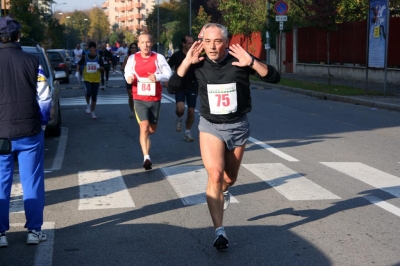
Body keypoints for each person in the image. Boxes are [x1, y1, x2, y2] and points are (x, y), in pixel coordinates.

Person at [167, 23, 280, 250]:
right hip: (211, 126)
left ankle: (226, 191)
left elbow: (275, 78)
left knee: (229, 178)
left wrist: (253, 63)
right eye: (207, 41)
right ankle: (219, 231)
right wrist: (187, 61)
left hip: (238, 126)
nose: (211, 46)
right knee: (215, 174)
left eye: (217, 41)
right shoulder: (197, 63)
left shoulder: (239, 59)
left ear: (226, 42)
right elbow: (172, 86)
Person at [0, 16, 52, 247]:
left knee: (1, 183)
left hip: (1, 133)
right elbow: (44, 95)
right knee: (32, 181)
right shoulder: (32, 61)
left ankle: (1, 234)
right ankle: (34, 231)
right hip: (30, 131)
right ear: (17, 35)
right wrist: (42, 122)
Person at [124, 33, 172, 170]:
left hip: (155, 99)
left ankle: (145, 140)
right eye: (142, 42)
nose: (145, 45)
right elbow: (127, 71)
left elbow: (168, 74)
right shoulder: (133, 58)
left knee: (151, 129)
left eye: (148, 42)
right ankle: (146, 157)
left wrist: (157, 77)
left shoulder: (159, 57)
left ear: (151, 43)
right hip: (139, 98)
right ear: (138, 44)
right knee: (143, 127)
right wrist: (129, 78)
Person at [167, 35, 198, 142]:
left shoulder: (196, 55)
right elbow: (167, 67)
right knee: (180, 109)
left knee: (191, 112)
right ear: (183, 44)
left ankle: (187, 132)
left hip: (192, 86)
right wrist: (167, 80)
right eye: (189, 43)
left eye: (192, 42)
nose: (191, 45)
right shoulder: (177, 55)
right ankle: (179, 118)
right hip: (180, 86)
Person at [76, 41, 104, 119]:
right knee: (88, 92)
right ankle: (88, 105)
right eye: (91, 48)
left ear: (95, 49)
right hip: (87, 78)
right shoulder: (85, 57)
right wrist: (77, 72)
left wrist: (99, 67)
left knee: (94, 97)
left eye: (93, 48)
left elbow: (103, 68)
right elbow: (79, 63)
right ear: (89, 49)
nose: (92, 50)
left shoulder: (98, 58)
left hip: (96, 80)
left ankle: (93, 112)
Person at [121, 42, 138, 118]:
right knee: (131, 96)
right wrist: (127, 70)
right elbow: (122, 67)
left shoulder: (140, 57)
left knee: (138, 96)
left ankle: (139, 110)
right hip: (130, 79)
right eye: (132, 48)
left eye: (135, 47)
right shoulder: (127, 57)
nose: (134, 49)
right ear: (130, 49)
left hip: (138, 79)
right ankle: (132, 110)